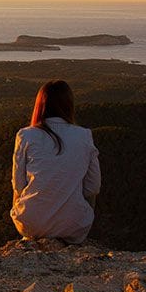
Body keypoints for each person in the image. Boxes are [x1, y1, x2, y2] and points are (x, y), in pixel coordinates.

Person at [10, 80, 100, 244]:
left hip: (31, 225)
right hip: (74, 227)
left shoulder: (25, 135)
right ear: (69, 105)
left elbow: (18, 186)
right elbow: (93, 187)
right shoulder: (84, 136)